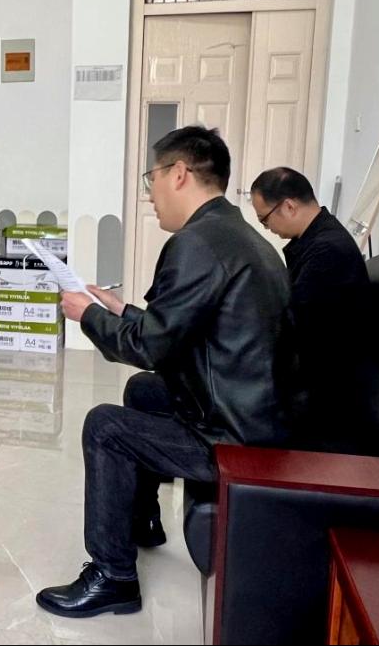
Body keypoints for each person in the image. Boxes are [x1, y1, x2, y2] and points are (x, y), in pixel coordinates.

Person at [37, 127, 296, 618]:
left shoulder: (197, 243)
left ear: (178, 174)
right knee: (144, 391)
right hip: (253, 410)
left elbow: (149, 347)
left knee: (105, 426)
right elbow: (180, 330)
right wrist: (121, 309)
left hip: (235, 435)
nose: (150, 194)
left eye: (150, 178)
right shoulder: (233, 234)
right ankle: (143, 519)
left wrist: (86, 315)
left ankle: (113, 576)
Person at [250, 167, 372, 452]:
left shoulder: (328, 251)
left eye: (265, 219)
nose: (267, 228)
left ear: (289, 206)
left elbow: (295, 325)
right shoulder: (315, 239)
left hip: (325, 398)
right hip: (313, 379)